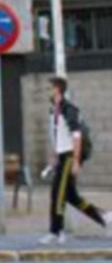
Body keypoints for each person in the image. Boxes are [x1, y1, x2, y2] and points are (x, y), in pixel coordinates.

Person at [39, 77, 112, 245]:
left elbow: (76, 136)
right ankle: (106, 218)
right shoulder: (53, 110)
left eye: (49, 87)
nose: (46, 90)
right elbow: (58, 136)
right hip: (62, 156)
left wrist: (76, 161)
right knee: (72, 197)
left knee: (57, 194)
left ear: (57, 89)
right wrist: (55, 156)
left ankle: (56, 232)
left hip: (70, 156)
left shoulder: (68, 109)